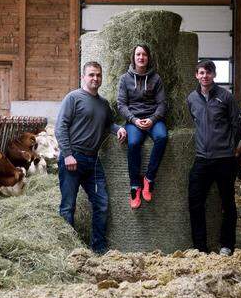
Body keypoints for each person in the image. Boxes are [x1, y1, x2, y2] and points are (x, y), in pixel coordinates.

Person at [55, 61, 127, 254]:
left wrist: (118, 128)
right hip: (72, 160)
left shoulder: (103, 104)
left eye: (98, 75)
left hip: (93, 162)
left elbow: (108, 124)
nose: (95, 78)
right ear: (83, 77)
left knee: (101, 203)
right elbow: (60, 127)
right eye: (91, 75)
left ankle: (99, 248)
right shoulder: (73, 98)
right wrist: (68, 155)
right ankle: (68, 250)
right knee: (68, 206)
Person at [186, 59, 241, 256]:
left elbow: (238, 124)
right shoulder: (192, 98)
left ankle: (227, 245)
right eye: (201, 72)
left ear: (214, 75)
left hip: (225, 160)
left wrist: (230, 147)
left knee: (228, 203)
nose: (205, 76)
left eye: (208, 72)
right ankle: (200, 247)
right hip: (202, 158)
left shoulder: (225, 97)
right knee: (195, 201)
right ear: (196, 75)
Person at [117, 45, 168, 209]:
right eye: (138, 54)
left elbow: (162, 104)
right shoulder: (125, 79)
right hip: (134, 121)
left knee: (162, 137)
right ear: (133, 57)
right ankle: (135, 186)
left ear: (148, 58)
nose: (141, 57)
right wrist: (133, 120)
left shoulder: (156, 79)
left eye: (144, 54)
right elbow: (121, 105)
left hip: (153, 119)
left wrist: (153, 119)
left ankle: (149, 179)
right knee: (133, 144)